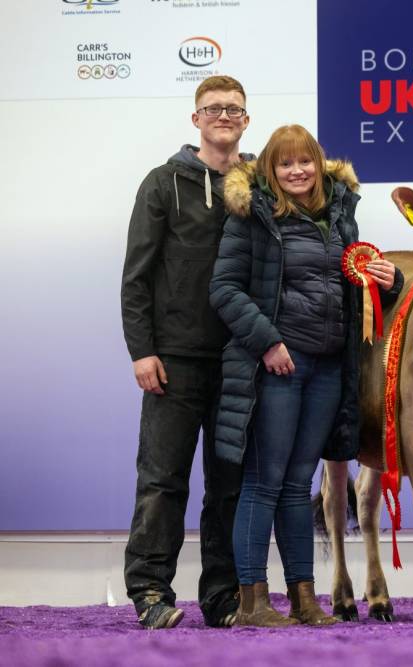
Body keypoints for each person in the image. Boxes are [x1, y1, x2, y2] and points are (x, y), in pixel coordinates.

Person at [209, 124, 402, 627]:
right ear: (270, 171)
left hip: (328, 368)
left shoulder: (340, 215)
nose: (297, 171)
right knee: (263, 482)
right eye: (285, 163)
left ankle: (304, 599)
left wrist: (390, 280)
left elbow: (351, 290)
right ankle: (252, 603)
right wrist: (268, 342)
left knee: (298, 484)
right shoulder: (251, 216)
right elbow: (224, 289)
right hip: (276, 365)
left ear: (319, 164)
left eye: (305, 161)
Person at [120, 75, 251, 630]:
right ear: (195, 119)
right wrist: (142, 350)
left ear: (246, 120)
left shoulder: (260, 185)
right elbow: (137, 275)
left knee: (229, 489)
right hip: (172, 361)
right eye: (213, 108)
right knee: (162, 481)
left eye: (233, 109)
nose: (223, 116)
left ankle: (223, 598)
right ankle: (150, 591)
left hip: (240, 362)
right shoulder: (162, 183)